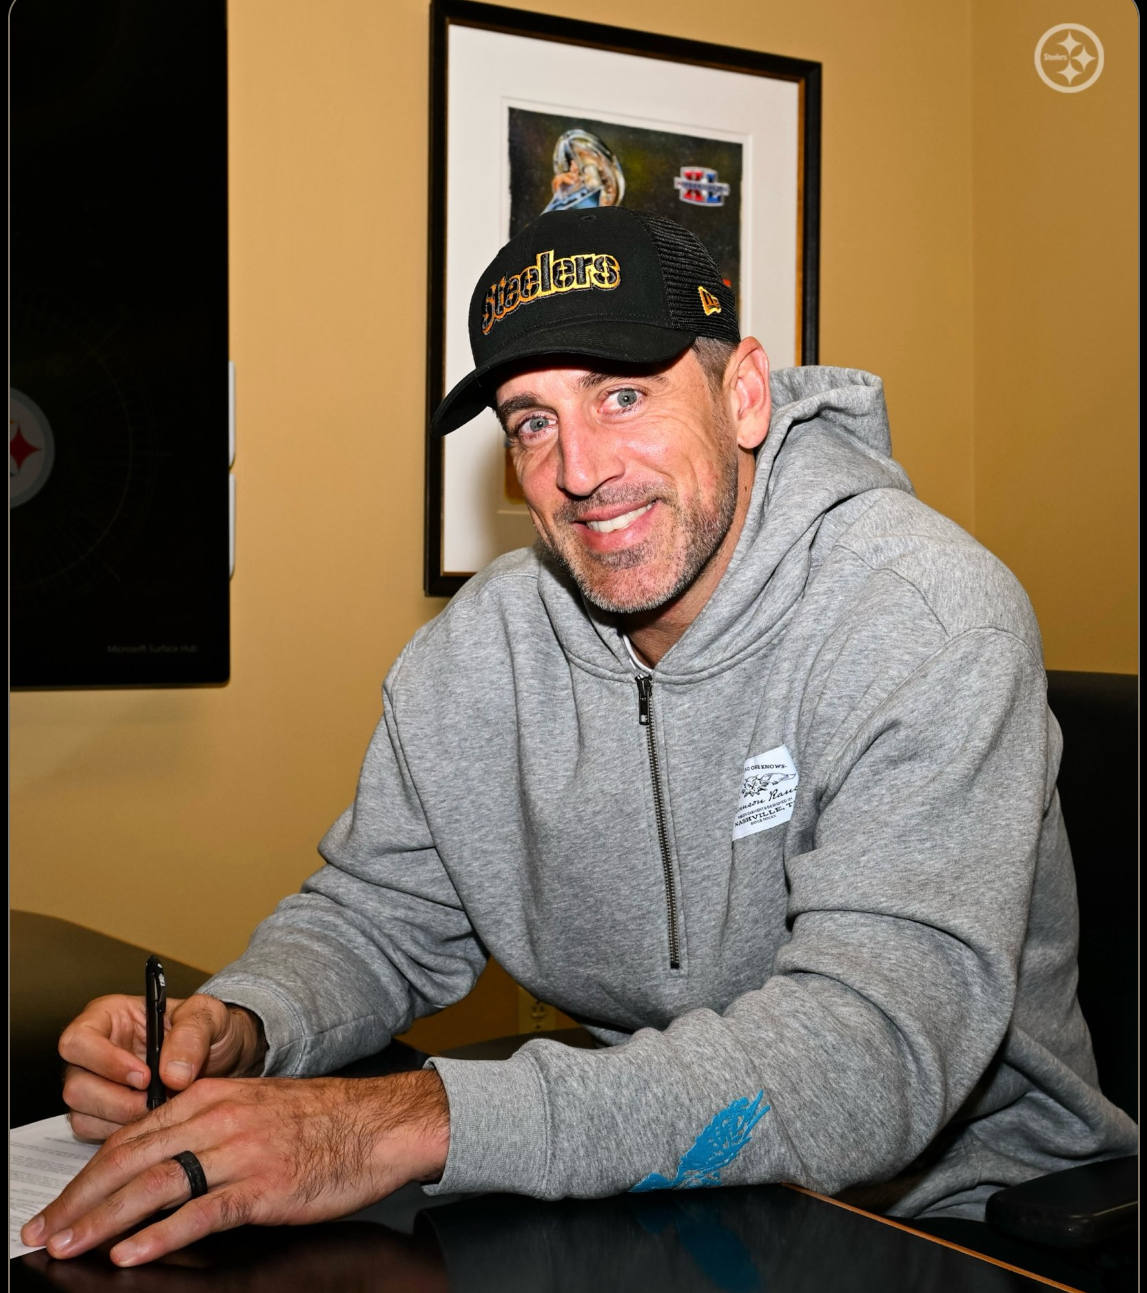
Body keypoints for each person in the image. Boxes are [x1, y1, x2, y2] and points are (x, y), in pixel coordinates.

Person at [24, 208, 1137, 1267]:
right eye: (532, 421)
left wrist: (411, 1120)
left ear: (742, 394)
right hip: (650, 1189)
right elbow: (380, 916)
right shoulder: (486, 644)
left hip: (952, 1219)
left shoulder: (923, 616)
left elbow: (866, 1057)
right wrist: (246, 1022)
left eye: (621, 396)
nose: (578, 470)